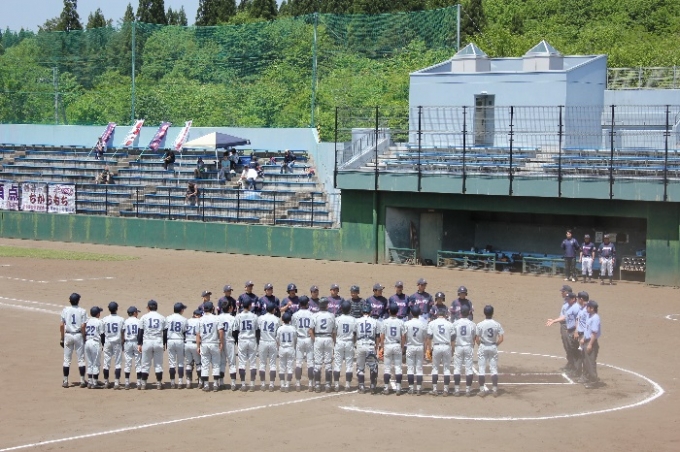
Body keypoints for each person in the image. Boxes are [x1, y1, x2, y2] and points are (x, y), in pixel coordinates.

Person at [546, 292, 580, 376]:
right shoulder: (570, 307)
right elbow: (565, 317)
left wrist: (576, 331)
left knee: (574, 350)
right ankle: (572, 367)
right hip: (570, 330)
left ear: (573, 299)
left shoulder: (576, 307)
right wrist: (554, 321)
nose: (567, 300)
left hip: (574, 331)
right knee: (570, 348)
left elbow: (579, 320)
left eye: (568, 299)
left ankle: (577, 370)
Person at [137, 299, 167, 390]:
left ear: (148, 307)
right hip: (158, 341)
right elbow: (165, 332)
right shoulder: (162, 317)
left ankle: (143, 384)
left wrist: (139, 344)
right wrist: (164, 344)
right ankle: (159, 384)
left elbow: (140, 331)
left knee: (145, 364)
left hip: (147, 342)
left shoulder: (144, 317)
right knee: (158, 364)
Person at [476, 305, 504, 397]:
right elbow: (501, 339)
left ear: (484, 313)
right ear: (492, 313)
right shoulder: (497, 324)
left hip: (483, 346)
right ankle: (495, 390)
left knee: (481, 369)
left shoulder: (480, 324)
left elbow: (477, 338)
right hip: (493, 346)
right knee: (493, 369)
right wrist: (495, 345)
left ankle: (482, 390)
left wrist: (481, 345)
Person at [60, 292, 88, 388]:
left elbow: (61, 325)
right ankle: (82, 380)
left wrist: (62, 338)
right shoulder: (82, 311)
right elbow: (83, 326)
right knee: (81, 360)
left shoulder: (65, 310)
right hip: (78, 335)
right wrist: (84, 337)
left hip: (68, 335)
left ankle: (65, 381)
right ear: (78, 300)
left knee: (67, 360)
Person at [426, 304, 454, 396]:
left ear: (437, 315)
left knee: (435, 368)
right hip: (446, 346)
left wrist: (428, 349)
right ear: (445, 315)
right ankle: (446, 390)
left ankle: (435, 389)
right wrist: (453, 349)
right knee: (447, 369)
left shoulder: (432, 323)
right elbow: (453, 338)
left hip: (436, 346)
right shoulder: (449, 324)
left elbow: (429, 337)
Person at [197, 301, 224, 392]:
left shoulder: (200, 319)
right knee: (216, 364)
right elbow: (221, 331)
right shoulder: (216, 318)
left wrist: (198, 346)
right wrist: (221, 342)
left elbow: (198, 334)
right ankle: (215, 384)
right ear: (213, 308)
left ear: (204, 309)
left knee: (205, 365)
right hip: (214, 343)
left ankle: (206, 385)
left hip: (204, 343)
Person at [310, 297, 336, 393]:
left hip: (318, 338)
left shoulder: (314, 315)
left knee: (317, 363)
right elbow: (334, 331)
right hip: (328, 338)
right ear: (327, 305)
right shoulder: (331, 316)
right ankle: (328, 385)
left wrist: (315, 340)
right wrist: (334, 341)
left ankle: (317, 385)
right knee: (328, 363)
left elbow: (310, 331)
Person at [234, 299, 259, 391]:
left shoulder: (238, 316)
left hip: (242, 340)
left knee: (242, 363)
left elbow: (235, 330)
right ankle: (252, 384)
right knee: (253, 363)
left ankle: (243, 384)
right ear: (250, 306)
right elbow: (257, 330)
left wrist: (237, 342)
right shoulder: (254, 316)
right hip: (252, 340)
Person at [381, 303, 406, 395]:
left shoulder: (385, 321)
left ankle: (386, 388)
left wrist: (382, 347)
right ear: (397, 311)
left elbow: (382, 336)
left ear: (389, 311)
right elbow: (403, 336)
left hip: (388, 345)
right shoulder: (401, 322)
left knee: (387, 368)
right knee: (398, 367)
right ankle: (398, 388)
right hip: (397, 345)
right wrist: (402, 347)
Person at [291, 296, 315, 391]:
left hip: (299, 339)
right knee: (310, 362)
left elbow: (293, 330)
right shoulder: (312, 314)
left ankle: (298, 384)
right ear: (307, 303)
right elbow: (313, 329)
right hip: (309, 339)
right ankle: (310, 384)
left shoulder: (295, 315)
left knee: (298, 363)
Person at [452, 305, 476, 397]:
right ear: (469, 313)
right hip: (468, 346)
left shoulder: (455, 323)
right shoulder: (472, 324)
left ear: (460, 312)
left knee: (457, 368)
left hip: (458, 346)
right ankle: (468, 390)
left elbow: (452, 337)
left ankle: (457, 390)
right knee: (469, 369)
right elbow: (474, 337)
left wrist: (453, 348)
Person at [333, 301, 357, 392]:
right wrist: (353, 342)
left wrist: (335, 342)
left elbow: (334, 333)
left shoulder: (337, 319)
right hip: (349, 342)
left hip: (339, 342)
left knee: (337, 364)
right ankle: (347, 385)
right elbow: (355, 334)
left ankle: (336, 385)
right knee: (349, 365)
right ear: (350, 309)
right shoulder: (353, 319)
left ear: (341, 309)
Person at [355, 304, 379, 394]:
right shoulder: (375, 321)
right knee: (373, 367)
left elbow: (354, 334)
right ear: (370, 312)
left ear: (362, 312)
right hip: (370, 345)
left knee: (360, 367)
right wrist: (376, 346)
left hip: (360, 344)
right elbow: (377, 336)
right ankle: (372, 386)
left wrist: (355, 344)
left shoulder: (357, 321)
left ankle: (361, 386)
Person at [101, 301, 125, 389]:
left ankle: (106, 382)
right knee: (118, 363)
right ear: (117, 309)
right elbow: (123, 332)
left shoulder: (104, 319)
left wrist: (103, 343)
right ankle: (116, 383)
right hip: (117, 343)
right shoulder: (121, 319)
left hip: (107, 342)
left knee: (106, 363)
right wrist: (123, 341)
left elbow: (102, 333)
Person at [404, 306, 426, 395]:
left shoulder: (407, 323)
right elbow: (425, 337)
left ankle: (411, 388)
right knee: (419, 368)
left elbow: (404, 335)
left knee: (410, 368)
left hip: (410, 346)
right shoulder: (423, 324)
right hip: (420, 346)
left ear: (411, 313)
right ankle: (419, 388)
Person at [257, 303, 280, 392]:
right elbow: (278, 332)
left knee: (262, 364)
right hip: (273, 342)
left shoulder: (260, 318)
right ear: (273, 310)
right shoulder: (277, 319)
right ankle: (271, 384)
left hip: (263, 342)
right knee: (272, 364)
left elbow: (258, 329)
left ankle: (263, 384)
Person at [165, 302, 188, 389]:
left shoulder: (168, 318)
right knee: (181, 362)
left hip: (170, 340)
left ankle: (172, 382)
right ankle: (180, 382)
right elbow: (185, 333)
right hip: (180, 340)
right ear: (181, 310)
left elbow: (165, 332)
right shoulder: (184, 319)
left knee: (172, 363)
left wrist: (165, 343)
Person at [216, 300, 237, 390]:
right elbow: (235, 332)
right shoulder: (233, 318)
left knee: (221, 362)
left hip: (220, 342)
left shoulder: (218, 318)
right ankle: (233, 384)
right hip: (230, 341)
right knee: (232, 363)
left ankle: (221, 382)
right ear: (229, 308)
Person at [581, 301, 601, 389]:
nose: (586, 308)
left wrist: (590, 344)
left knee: (590, 362)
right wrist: (583, 338)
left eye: (588, 307)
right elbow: (587, 330)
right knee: (586, 361)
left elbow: (594, 333)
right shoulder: (590, 316)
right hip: (586, 340)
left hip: (591, 342)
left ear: (592, 308)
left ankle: (593, 381)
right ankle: (587, 378)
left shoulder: (595, 318)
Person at [84, 306, 105, 389]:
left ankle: (90, 382)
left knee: (90, 363)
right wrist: (103, 344)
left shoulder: (87, 321)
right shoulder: (99, 322)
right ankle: (95, 383)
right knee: (96, 363)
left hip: (87, 342)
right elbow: (102, 335)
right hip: (95, 343)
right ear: (98, 314)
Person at [276, 311, 297, 392]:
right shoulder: (293, 328)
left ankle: (282, 385)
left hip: (282, 348)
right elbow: (295, 339)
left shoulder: (280, 328)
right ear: (290, 320)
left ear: (282, 319)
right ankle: (287, 385)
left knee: (282, 367)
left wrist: (279, 346)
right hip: (291, 348)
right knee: (290, 368)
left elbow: (277, 340)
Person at [123, 306, 142, 390]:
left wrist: (123, 343)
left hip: (127, 342)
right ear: (134, 313)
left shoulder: (125, 321)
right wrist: (140, 344)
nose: (137, 313)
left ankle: (127, 383)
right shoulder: (139, 321)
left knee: (128, 362)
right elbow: (141, 333)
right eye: (137, 312)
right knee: (138, 362)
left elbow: (123, 332)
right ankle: (139, 383)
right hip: (136, 342)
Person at [573, 291, 589, 381]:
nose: (577, 300)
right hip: (580, 334)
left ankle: (587, 376)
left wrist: (584, 337)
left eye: (578, 298)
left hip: (585, 336)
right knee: (582, 355)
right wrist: (576, 331)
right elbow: (578, 320)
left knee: (586, 357)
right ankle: (582, 374)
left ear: (581, 299)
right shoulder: (582, 308)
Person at [184, 309, 202, 389]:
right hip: (195, 344)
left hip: (186, 343)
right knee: (198, 364)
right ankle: (200, 382)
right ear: (198, 315)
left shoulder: (187, 321)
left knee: (188, 364)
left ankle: (188, 382)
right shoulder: (200, 322)